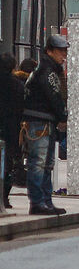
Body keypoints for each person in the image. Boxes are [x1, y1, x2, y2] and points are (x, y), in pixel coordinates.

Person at [20, 35, 69, 216]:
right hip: (39, 120)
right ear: (49, 51)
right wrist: (63, 115)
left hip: (42, 120)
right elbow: (54, 96)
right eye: (60, 51)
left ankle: (45, 201)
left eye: (64, 51)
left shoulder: (45, 69)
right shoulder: (47, 71)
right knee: (39, 163)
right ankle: (38, 202)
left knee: (46, 164)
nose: (63, 55)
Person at [0, 53, 24, 213]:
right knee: (7, 164)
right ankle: (4, 198)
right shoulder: (16, 85)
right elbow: (21, 107)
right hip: (11, 129)